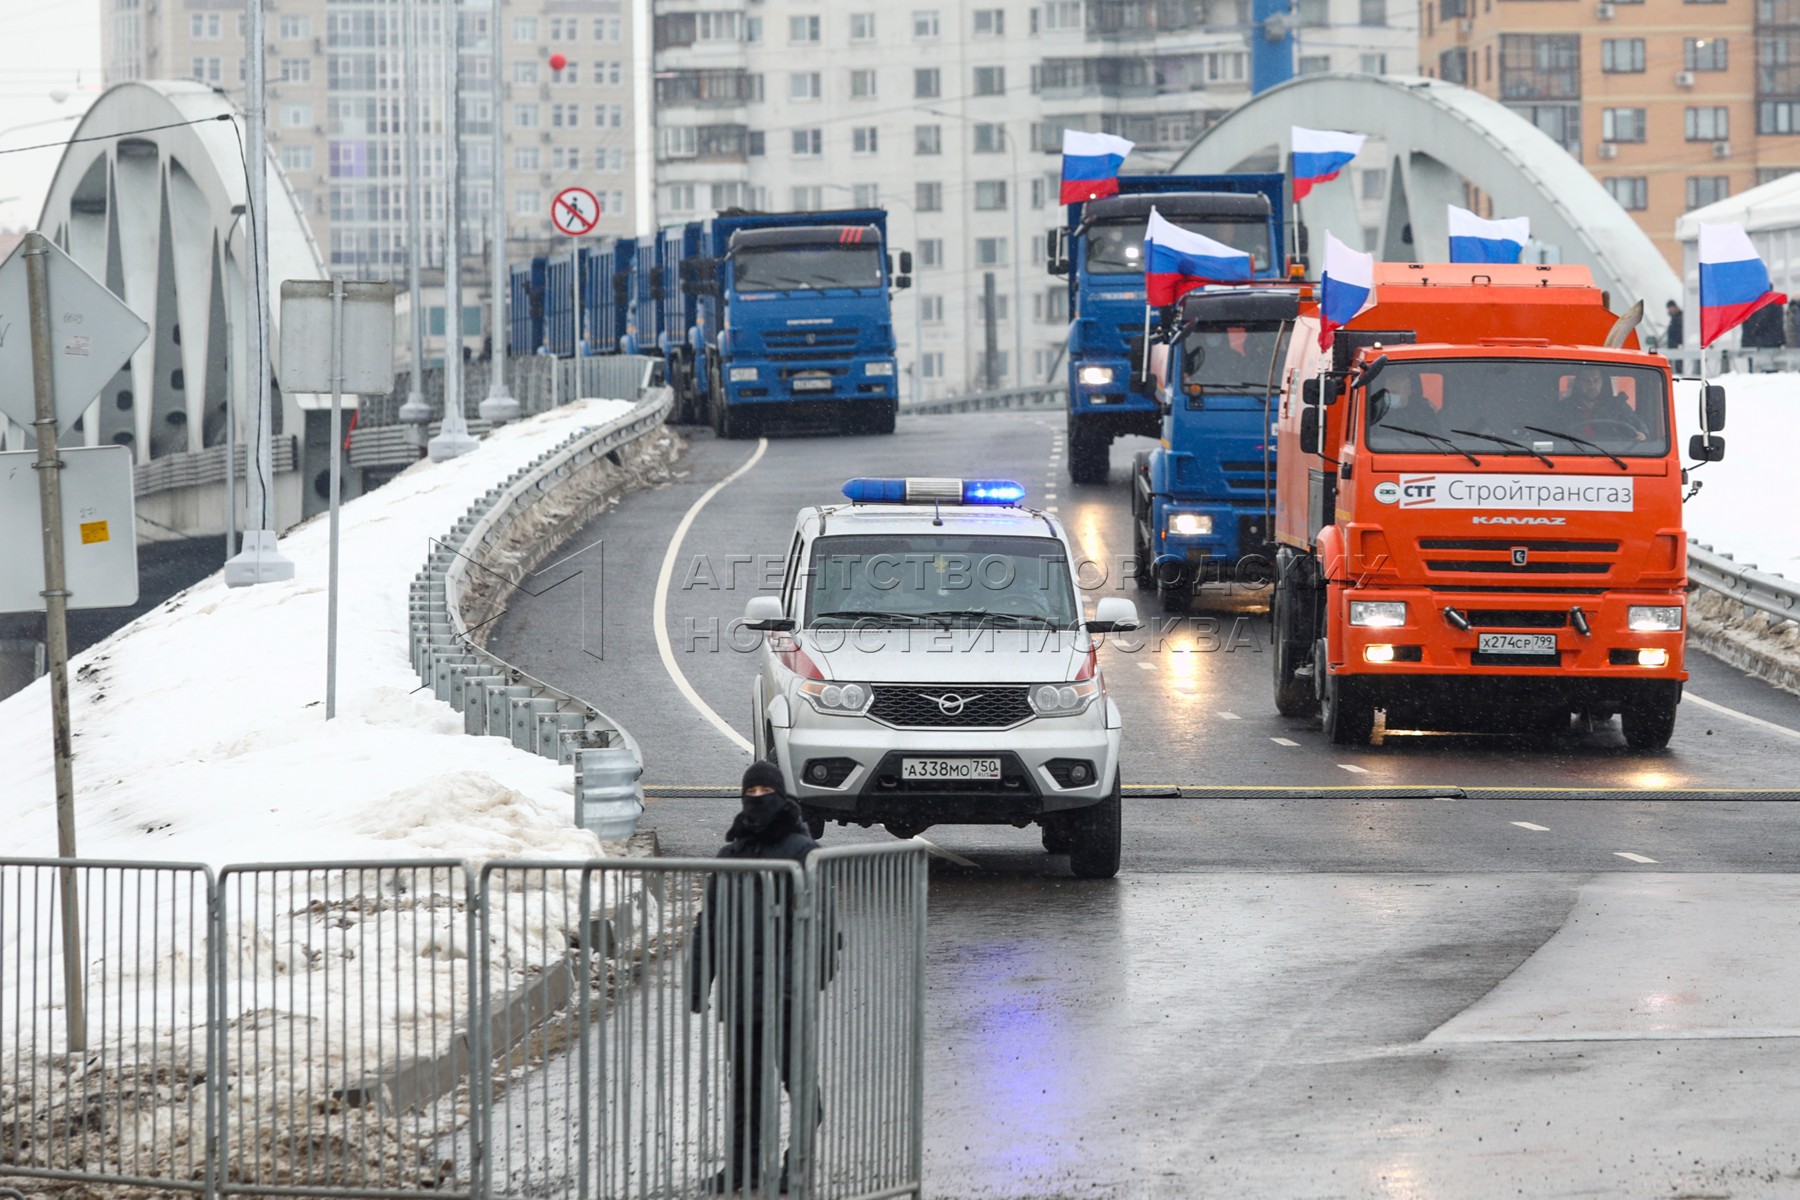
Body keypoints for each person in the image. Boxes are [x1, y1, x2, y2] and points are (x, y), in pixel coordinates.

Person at [690, 761, 823, 1194]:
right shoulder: (730, 856)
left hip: (786, 995)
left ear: (781, 797)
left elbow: (822, 927)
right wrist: (698, 980)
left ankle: (796, 1164)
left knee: (798, 1085)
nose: (758, 797)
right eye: (752, 790)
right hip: (743, 994)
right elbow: (708, 921)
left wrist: (809, 979)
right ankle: (743, 1169)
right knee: (746, 1090)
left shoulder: (802, 852)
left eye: (767, 789)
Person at [1564, 366, 1647, 441]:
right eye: (1586, 380)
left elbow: (1638, 426)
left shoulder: (1617, 406)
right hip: (1572, 452)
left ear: (1603, 382)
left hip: (1613, 453)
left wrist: (1642, 434)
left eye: (1596, 380)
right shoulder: (1565, 407)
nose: (1592, 385)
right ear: (1578, 383)